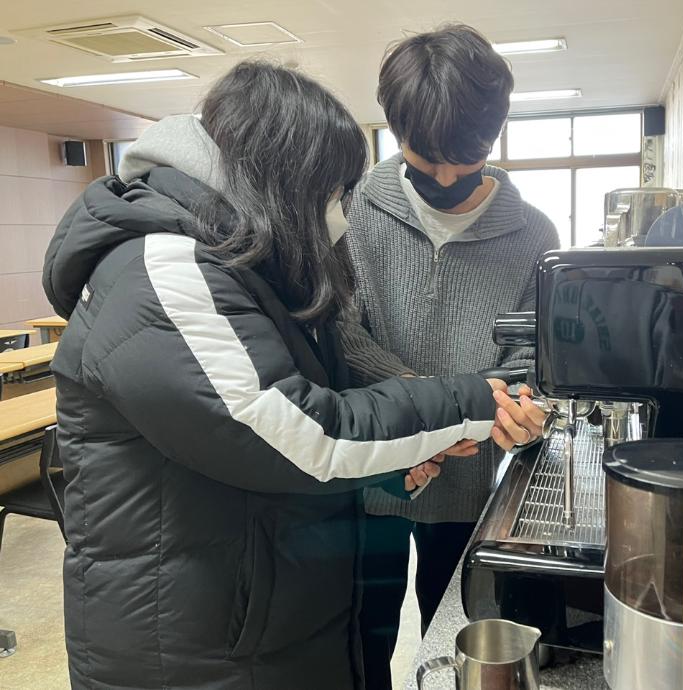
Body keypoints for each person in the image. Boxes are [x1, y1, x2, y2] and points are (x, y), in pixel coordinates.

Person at [42, 61, 529, 690]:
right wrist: (468, 399)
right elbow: (298, 431)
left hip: (257, 613)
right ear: (283, 179)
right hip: (193, 644)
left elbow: (284, 422)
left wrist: (394, 462)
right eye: (331, 193)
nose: (340, 214)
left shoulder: (240, 259)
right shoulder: (167, 271)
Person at [341, 25, 558, 687]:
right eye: (425, 157)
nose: (444, 177)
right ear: (394, 125)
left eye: (468, 158)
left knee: (455, 648)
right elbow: (340, 335)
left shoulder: (534, 235)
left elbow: (531, 359)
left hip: (473, 481)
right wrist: (427, 404)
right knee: (358, 646)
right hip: (371, 472)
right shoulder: (352, 211)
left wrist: (518, 407)